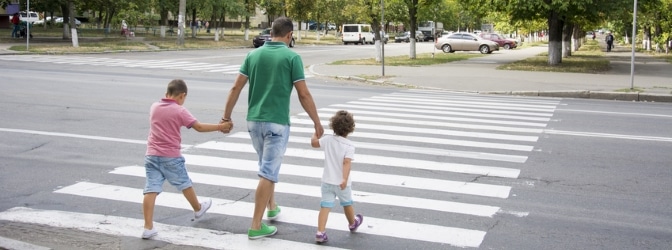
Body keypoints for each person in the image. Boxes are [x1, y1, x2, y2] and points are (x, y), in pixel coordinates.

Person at [220, 16, 324, 240]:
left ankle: (272, 206)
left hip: (253, 122)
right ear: (289, 35)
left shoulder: (253, 55)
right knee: (268, 172)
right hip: (276, 123)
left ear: (271, 33)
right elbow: (303, 94)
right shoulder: (292, 56)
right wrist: (317, 122)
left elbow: (235, 87)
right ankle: (256, 225)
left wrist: (225, 117)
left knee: (266, 167)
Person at [142, 79, 232, 239]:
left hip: (151, 155)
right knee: (185, 183)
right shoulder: (179, 110)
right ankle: (198, 208)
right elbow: (198, 127)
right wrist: (220, 127)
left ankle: (148, 227)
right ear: (182, 95)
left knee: (151, 189)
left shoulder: (154, 107)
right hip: (170, 156)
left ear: (166, 93)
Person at [311, 110, 363, 243]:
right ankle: (352, 223)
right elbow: (346, 163)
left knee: (325, 206)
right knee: (347, 203)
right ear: (350, 129)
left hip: (327, 181)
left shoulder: (327, 140)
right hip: (342, 183)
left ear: (333, 126)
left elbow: (314, 143)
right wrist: (344, 178)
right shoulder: (349, 145)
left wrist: (315, 133)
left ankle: (320, 232)